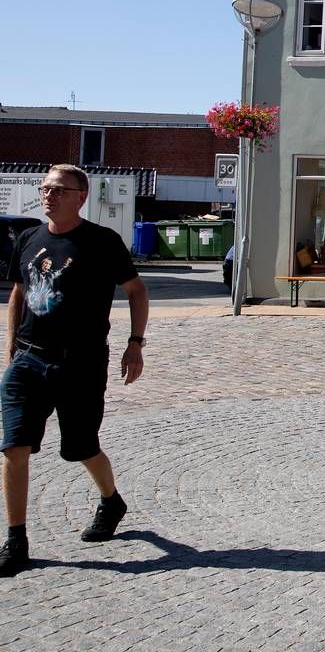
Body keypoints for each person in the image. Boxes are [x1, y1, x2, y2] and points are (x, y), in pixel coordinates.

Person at [2, 164, 150, 577]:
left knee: (81, 447)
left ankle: (111, 500)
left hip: (81, 362)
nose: (49, 195)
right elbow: (19, 291)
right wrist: (11, 347)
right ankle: (16, 540)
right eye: (45, 188)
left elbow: (136, 290)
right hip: (28, 360)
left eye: (59, 189)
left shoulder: (102, 243)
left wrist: (135, 344)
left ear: (80, 196)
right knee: (14, 446)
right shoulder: (29, 238)